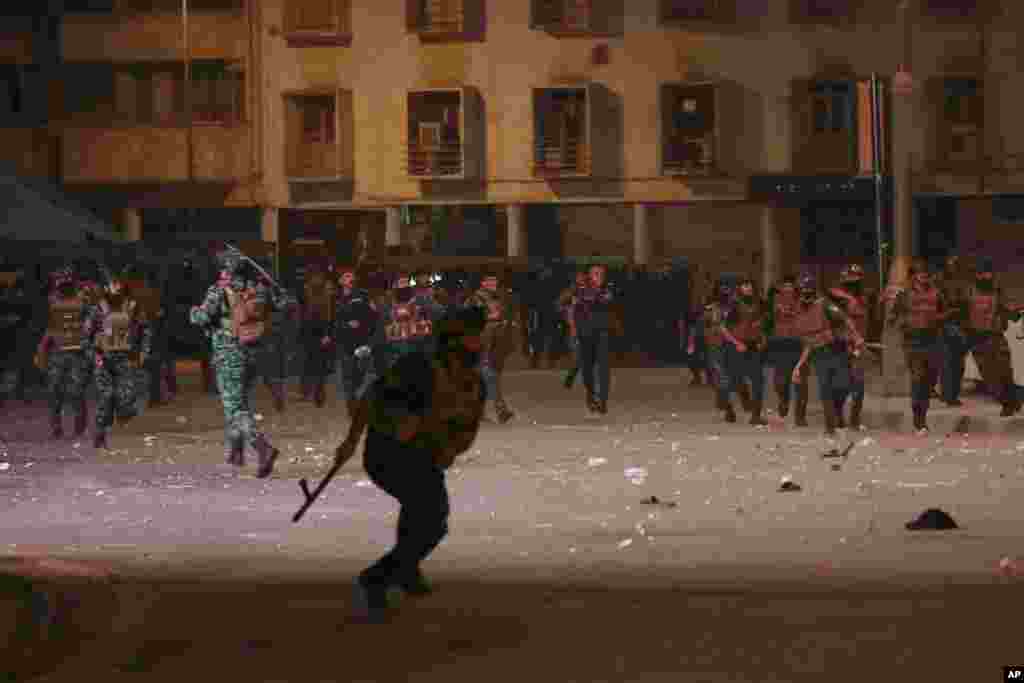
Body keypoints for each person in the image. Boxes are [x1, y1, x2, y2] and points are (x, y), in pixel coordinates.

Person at [333, 305, 488, 623]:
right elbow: (371, 399)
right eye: (474, 337)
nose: (480, 343)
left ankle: (406, 571)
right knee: (432, 519)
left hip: (424, 457)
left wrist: (450, 448)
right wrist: (350, 442)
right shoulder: (418, 367)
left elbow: (466, 428)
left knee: (423, 512)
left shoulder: (473, 384)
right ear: (455, 341)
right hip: (389, 452)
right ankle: (377, 578)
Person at [190, 248, 280, 476]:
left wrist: (193, 311)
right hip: (253, 352)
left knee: (235, 407)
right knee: (240, 402)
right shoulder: (258, 288)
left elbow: (202, 318)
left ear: (226, 270)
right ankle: (236, 451)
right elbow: (278, 308)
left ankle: (262, 448)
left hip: (228, 353)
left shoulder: (219, 290)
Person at [84, 266, 152, 450]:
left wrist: (143, 352)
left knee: (126, 398)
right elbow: (86, 337)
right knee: (106, 396)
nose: (116, 287)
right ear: (106, 287)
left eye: (118, 283)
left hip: (124, 358)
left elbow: (146, 329)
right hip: (103, 358)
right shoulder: (98, 309)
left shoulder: (132, 306)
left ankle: (122, 415)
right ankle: (100, 433)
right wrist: (94, 356)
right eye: (112, 284)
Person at [792, 271, 864, 436]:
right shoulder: (800, 314)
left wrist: (856, 337)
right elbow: (809, 343)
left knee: (843, 386)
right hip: (819, 354)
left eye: (808, 292)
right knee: (825, 389)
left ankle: (837, 410)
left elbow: (845, 320)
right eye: (802, 292)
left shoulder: (824, 305)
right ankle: (830, 427)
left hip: (837, 349)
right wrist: (799, 366)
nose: (805, 296)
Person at [882, 259, 946, 433]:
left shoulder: (937, 294)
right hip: (913, 342)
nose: (923, 276)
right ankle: (919, 421)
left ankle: (922, 414)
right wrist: (899, 322)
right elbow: (893, 316)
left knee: (929, 380)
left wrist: (938, 319)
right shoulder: (904, 295)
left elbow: (945, 312)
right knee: (918, 379)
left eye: (926, 273)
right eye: (920, 273)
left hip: (932, 341)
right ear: (915, 276)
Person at [957, 257, 1022, 416]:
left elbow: (1008, 309)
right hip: (977, 339)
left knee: (1005, 372)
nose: (987, 276)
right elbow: (960, 313)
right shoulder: (968, 292)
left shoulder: (997, 291)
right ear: (977, 275)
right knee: (990, 377)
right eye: (983, 273)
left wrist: (1013, 313)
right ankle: (1009, 402)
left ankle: (1010, 403)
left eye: (989, 273)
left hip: (996, 337)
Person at [34, 267, 92, 439]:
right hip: (59, 351)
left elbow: (91, 326)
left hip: (76, 352)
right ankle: (57, 427)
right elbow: (50, 327)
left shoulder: (84, 301)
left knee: (76, 391)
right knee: (55, 391)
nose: (62, 284)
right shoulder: (52, 300)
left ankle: (79, 427)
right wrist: (42, 347)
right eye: (59, 281)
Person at [466, 269, 515, 424]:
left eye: (495, 281)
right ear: (483, 283)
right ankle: (501, 409)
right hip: (481, 343)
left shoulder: (497, 297)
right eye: (489, 281)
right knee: (489, 375)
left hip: (495, 342)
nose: (493, 284)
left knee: (488, 377)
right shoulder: (476, 298)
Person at [828, 264, 873, 430]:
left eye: (858, 278)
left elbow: (866, 321)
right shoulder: (835, 297)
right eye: (851, 278)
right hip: (839, 344)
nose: (855, 282)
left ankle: (854, 420)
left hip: (858, 345)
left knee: (859, 385)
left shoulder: (864, 298)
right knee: (841, 384)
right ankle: (838, 416)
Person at [719, 276, 768, 426]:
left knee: (758, 380)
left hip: (753, 346)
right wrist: (736, 343)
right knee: (734, 381)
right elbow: (723, 328)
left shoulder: (759, 303)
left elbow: (762, 324)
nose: (748, 288)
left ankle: (756, 416)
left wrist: (763, 339)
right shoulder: (734, 304)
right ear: (739, 288)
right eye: (744, 285)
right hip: (736, 347)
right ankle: (729, 409)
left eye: (750, 285)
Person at [572, 263, 614, 415]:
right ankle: (590, 396)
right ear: (589, 275)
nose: (598, 276)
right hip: (585, 334)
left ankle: (602, 400)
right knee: (587, 369)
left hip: (603, 333)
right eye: (595, 273)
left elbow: (606, 301)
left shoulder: (608, 288)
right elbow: (572, 307)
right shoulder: (580, 290)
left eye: (601, 273)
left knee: (604, 369)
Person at [764, 274, 803, 423]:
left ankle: (800, 415)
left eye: (790, 285)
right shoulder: (773, 300)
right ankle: (783, 399)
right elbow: (766, 318)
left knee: (800, 379)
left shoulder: (802, 300)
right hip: (779, 342)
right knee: (780, 379)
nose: (787, 288)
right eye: (784, 285)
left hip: (798, 342)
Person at [300, 266, 337, 408]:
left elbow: (333, 313)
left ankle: (317, 392)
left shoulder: (328, 291)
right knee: (311, 362)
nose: (316, 279)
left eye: (319, 276)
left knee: (319, 363)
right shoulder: (306, 290)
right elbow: (302, 313)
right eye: (314, 276)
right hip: (310, 329)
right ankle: (310, 390)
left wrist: (328, 334)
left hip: (322, 329)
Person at [937, 254, 971, 406]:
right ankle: (948, 395)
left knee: (958, 364)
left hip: (961, 326)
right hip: (945, 325)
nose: (954, 267)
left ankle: (953, 394)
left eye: (956, 264)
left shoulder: (964, 283)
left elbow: (967, 304)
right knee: (947, 362)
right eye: (951, 264)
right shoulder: (939, 283)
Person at [559, 270, 587, 390]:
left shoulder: (590, 290)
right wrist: (568, 308)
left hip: (588, 327)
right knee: (577, 357)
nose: (581, 279)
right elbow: (558, 305)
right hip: (574, 328)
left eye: (582, 276)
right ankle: (570, 378)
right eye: (578, 277)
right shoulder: (570, 291)